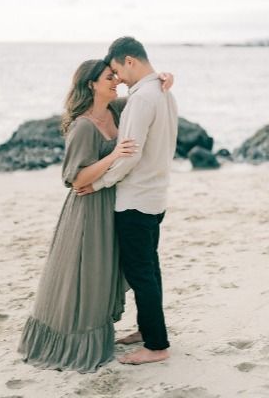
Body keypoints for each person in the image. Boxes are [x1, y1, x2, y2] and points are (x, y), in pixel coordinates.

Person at [17, 57, 174, 372]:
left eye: (115, 76)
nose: (116, 81)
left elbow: (145, 97)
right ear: (91, 84)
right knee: (86, 274)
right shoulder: (83, 126)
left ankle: (148, 329)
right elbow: (75, 179)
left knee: (114, 271)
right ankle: (78, 341)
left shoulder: (116, 110)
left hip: (113, 202)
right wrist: (115, 155)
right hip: (89, 208)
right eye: (108, 78)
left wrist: (163, 78)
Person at [77, 37, 178, 365]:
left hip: (136, 199)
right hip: (156, 195)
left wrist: (99, 182)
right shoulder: (165, 92)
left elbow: (129, 155)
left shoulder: (143, 98)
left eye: (118, 70)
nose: (118, 78)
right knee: (150, 269)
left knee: (140, 273)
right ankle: (149, 330)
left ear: (130, 61)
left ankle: (156, 346)